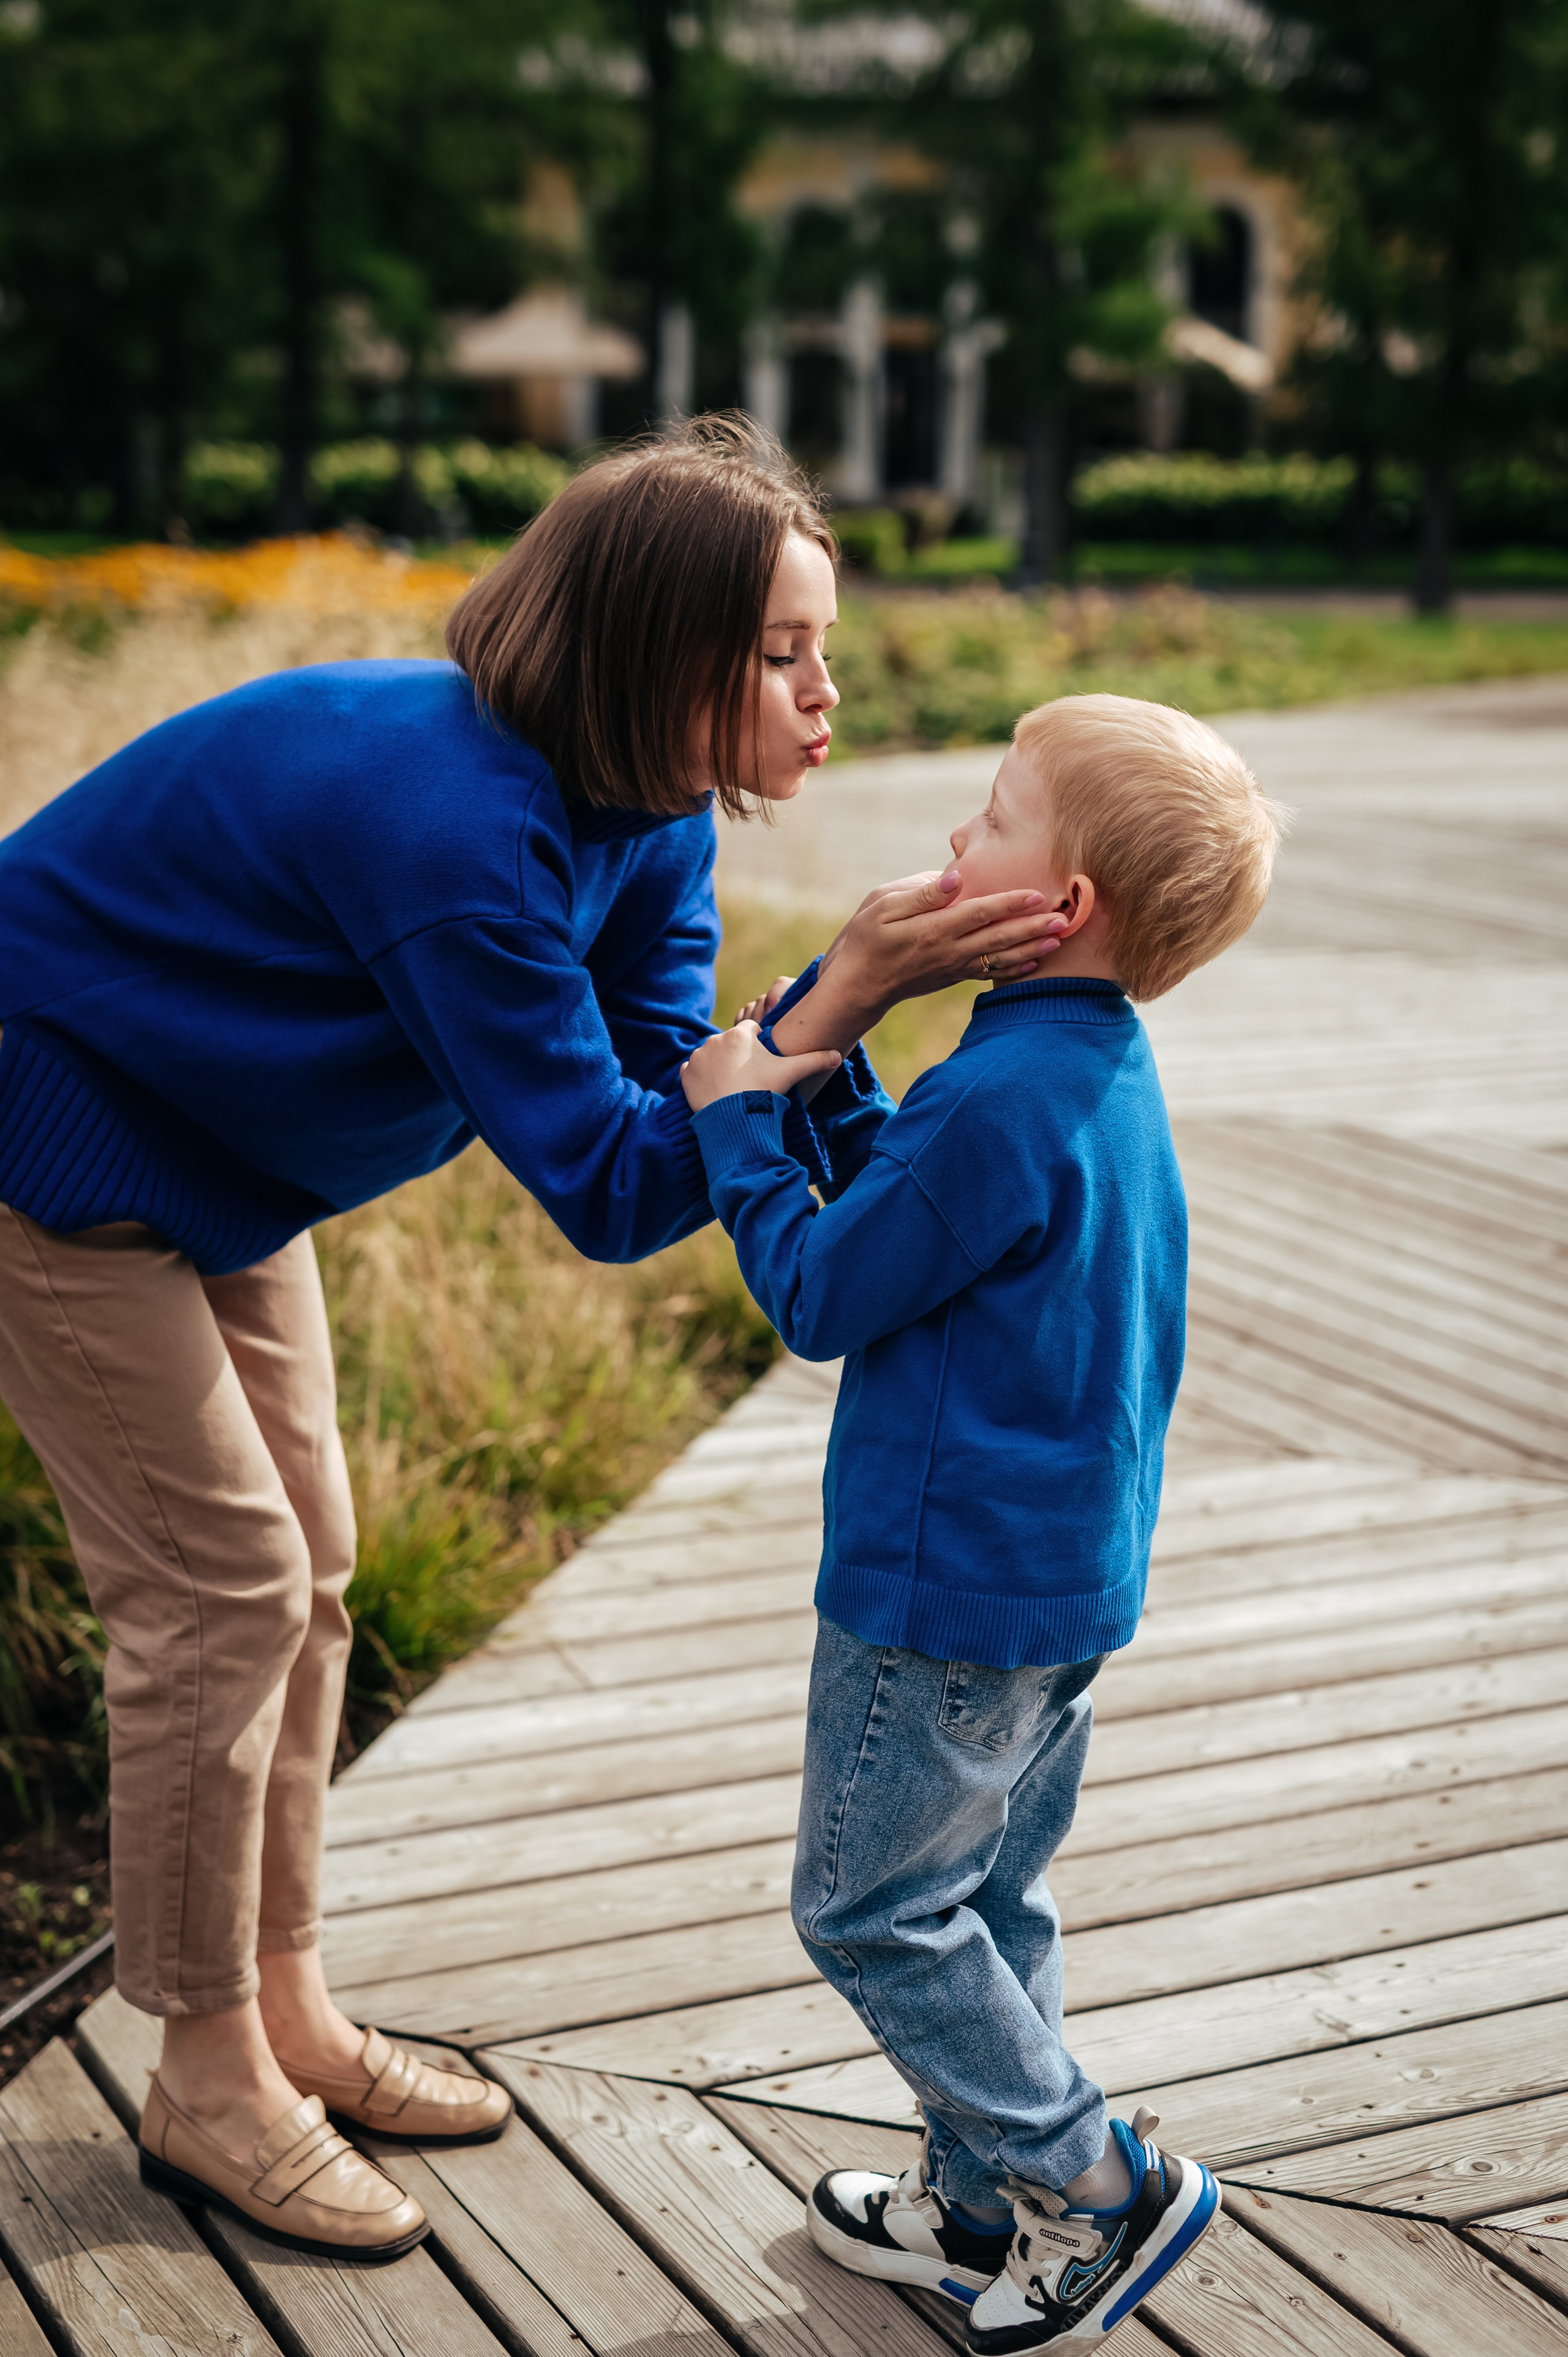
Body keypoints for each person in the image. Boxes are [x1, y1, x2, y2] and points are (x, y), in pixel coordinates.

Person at [0, 418, 1066, 2258]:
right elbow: (603, 1181)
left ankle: (285, 2006)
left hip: (221, 1165)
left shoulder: (641, 815)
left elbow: (672, 1126)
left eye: (826, 647)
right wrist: (850, 991)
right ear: (662, 654)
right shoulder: (455, 823)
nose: (829, 692)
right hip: (53, 1135)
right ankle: (199, 2075)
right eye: (786, 652)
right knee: (225, 1589)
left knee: (313, 1575)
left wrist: (807, 1027)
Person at [680, 693, 1285, 2353]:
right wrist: (838, 1091)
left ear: (1060, 906)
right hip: (1062, 1581)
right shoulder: (1082, 1068)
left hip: (939, 1590)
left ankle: (1095, 2185)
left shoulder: (998, 1095)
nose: (957, 843)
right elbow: (938, 1233)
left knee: (869, 1909)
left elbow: (819, 1291)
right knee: (991, 1903)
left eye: (995, 817)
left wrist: (740, 1119)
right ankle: (973, 2206)